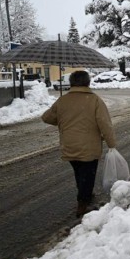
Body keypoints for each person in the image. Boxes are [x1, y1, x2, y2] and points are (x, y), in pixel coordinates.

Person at [42, 71, 117, 217]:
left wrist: (63, 121)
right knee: (87, 174)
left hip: (69, 145)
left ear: (71, 83)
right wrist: (111, 144)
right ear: (88, 83)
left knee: (79, 172)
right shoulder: (95, 100)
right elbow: (105, 124)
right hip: (89, 147)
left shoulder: (63, 101)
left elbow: (46, 117)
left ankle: (85, 194)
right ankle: (82, 204)